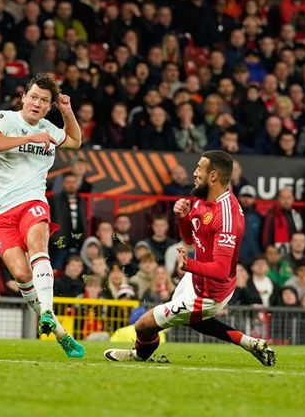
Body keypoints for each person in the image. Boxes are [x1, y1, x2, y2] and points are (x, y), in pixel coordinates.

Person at [105, 151, 276, 367]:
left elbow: (222, 270)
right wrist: (183, 218)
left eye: (199, 168)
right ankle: (249, 343)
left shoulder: (227, 217)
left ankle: (139, 355)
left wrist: (190, 265)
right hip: (196, 278)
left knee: (143, 326)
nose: (194, 173)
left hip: (210, 292)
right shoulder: (200, 196)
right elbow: (189, 239)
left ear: (213, 176)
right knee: (192, 320)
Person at [0, 72, 84, 358]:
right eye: (34, 97)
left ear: (50, 105)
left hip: (32, 201)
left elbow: (75, 140)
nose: (37, 103)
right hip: (1, 212)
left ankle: (48, 312)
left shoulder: (50, 127)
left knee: (38, 246)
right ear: (24, 97)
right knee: (21, 273)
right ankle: (61, 333)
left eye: (45, 100)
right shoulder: (5, 119)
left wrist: (67, 112)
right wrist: (28, 138)